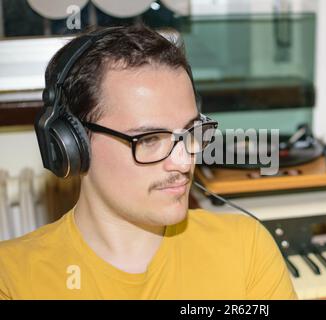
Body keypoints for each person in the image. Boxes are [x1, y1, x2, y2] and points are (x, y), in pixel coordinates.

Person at [0, 25, 297, 300]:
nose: (183, 162)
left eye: (190, 131)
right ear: (72, 145)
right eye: (149, 139)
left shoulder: (247, 248)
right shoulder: (11, 278)